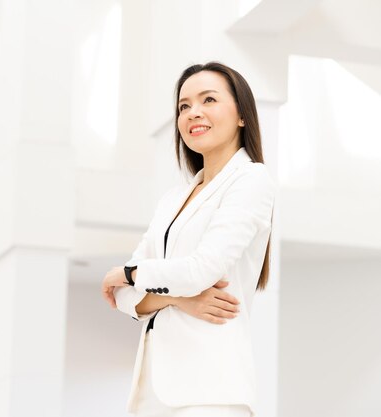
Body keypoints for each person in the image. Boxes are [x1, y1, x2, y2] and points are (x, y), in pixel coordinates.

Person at [101, 62, 276, 417]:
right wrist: (180, 301)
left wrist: (129, 272)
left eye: (208, 100)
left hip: (208, 393)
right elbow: (123, 300)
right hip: (150, 395)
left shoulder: (251, 180)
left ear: (242, 115)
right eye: (184, 106)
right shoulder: (172, 199)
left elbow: (202, 270)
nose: (193, 112)